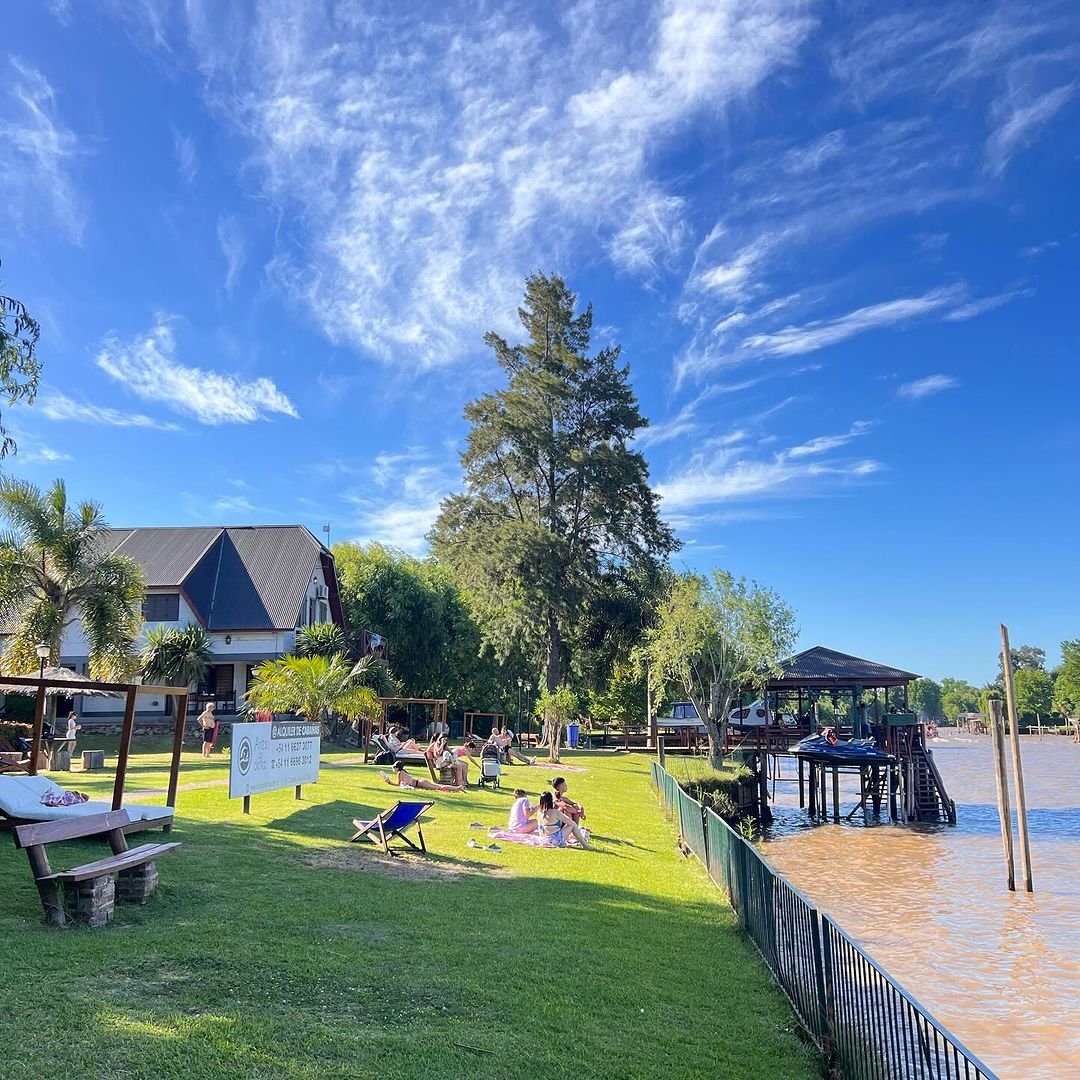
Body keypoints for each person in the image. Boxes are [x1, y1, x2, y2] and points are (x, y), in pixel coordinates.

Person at [380, 761, 463, 793]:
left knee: (439, 787)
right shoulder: (402, 772)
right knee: (438, 787)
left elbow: (399, 785)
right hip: (420, 782)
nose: (393, 769)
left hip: (420, 783)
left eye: (393, 768)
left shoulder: (400, 773)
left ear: (397, 768)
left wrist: (389, 782)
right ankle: (457, 788)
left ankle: (457, 788)